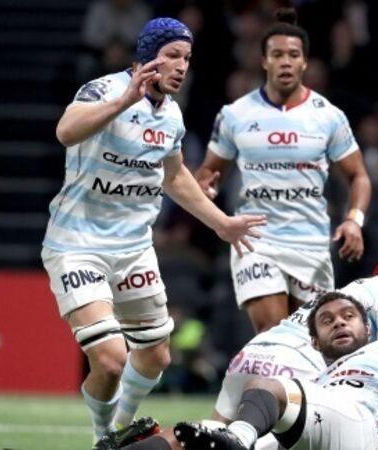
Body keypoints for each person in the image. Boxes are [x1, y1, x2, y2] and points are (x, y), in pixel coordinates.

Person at [42, 17, 266, 444]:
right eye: (172, 56)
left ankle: (121, 427)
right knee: (111, 359)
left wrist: (222, 223)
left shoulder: (171, 114)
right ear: (147, 57)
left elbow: (174, 175)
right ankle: (104, 436)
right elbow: (65, 131)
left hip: (134, 249)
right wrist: (124, 100)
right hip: (78, 244)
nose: (182, 66)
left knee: (156, 356)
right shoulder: (103, 90)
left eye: (187, 58)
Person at [95, 236, 378, 450]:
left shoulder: (356, 290)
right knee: (256, 442)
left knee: (206, 437)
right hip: (295, 366)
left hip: (254, 355)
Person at [194, 7, 372, 333]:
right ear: (264, 61)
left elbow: (358, 175)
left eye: (293, 55)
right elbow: (208, 171)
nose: (285, 62)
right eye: (277, 55)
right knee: (273, 330)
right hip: (256, 240)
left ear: (304, 62)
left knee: (308, 339)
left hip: (311, 242)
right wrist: (207, 188)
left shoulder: (328, 116)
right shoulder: (235, 114)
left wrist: (354, 220)